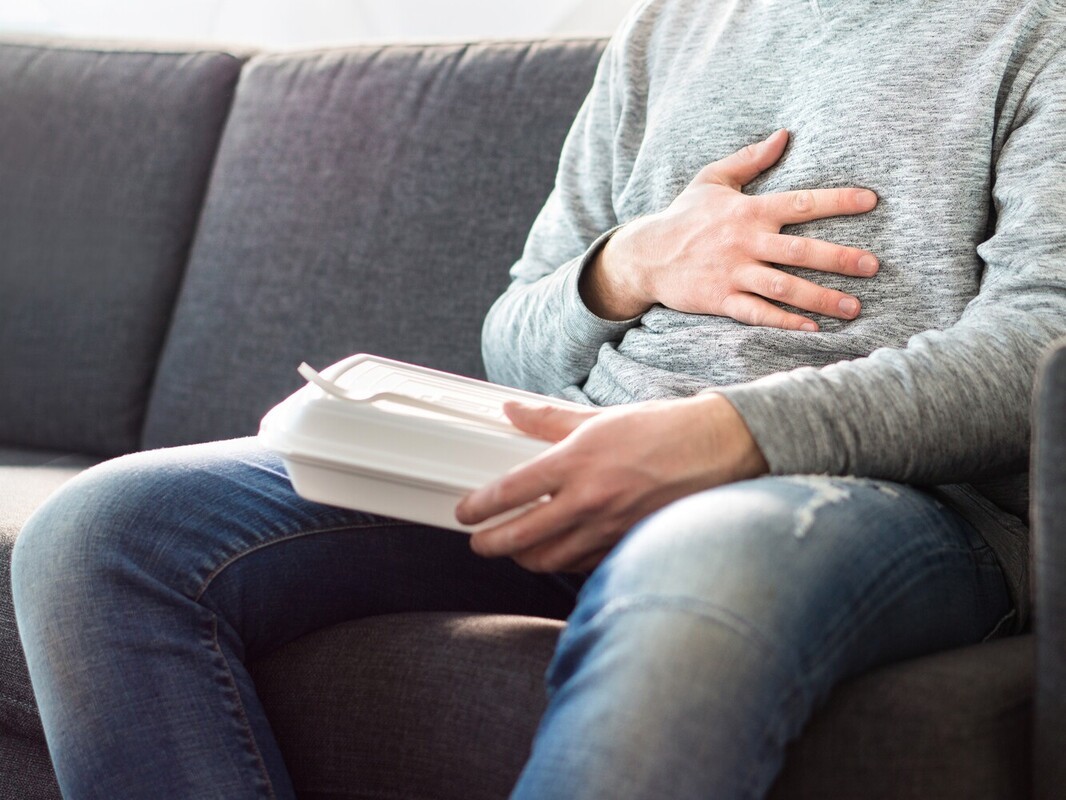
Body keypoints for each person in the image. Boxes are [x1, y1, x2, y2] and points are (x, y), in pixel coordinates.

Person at [12, 0, 1065, 798]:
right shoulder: (675, 24)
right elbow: (514, 335)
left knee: (693, 559)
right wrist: (626, 265)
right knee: (100, 530)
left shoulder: (1036, 29)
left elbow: (1039, 340)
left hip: (867, 495)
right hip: (577, 445)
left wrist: (725, 434)